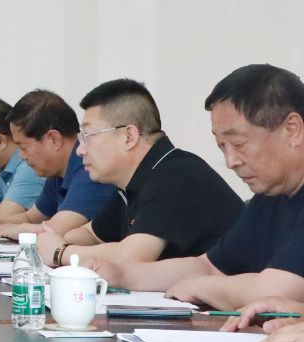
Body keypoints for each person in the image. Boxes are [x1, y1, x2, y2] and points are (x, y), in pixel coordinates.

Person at [88, 64, 304, 311]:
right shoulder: (270, 197)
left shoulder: (177, 174)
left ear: (292, 130)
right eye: (222, 146)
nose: (230, 161)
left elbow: (275, 292)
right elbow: (208, 266)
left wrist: (203, 287)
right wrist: (122, 275)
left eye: (238, 143)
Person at [36, 79, 243, 268]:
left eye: (88, 136)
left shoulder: (176, 176)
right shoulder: (132, 182)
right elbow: (90, 233)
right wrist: (58, 242)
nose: (80, 150)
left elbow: (131, 258)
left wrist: (61, 252)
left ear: (129, 136)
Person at [0, 89, 116, 239]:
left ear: (54, 139)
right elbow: (30, 218)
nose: (21, 156)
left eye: (23, 147)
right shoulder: (57, 173)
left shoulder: (89, 167)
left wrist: (20, 230)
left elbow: (56, 230)